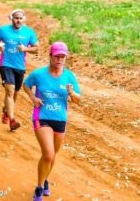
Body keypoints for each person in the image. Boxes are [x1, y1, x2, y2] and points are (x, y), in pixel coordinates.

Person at [23, 42, 81, 201]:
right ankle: (39, 187)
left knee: (53, 155)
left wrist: (72, 93)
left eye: (63, 56)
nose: (60, 59)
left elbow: (78, 100)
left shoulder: (69, 76)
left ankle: (45, 178)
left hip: (60, 120)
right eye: (57, 56)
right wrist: (33, 97)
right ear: (50, 56)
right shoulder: (39, 74)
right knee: (48, 154)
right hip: (41, 117)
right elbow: (26, 85)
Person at [0, 9, 39, 131]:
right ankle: (12, 120)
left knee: (14, 94)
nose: (18, 20)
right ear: (11, 18)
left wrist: (25, 49)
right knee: (10, 91)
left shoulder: (29, 32)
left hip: (20, 67)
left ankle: (7, 111)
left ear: (24, 19)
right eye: (16, 18)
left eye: (20, 18)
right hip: (6, 64)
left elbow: (37, 48)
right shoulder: (3, 30)